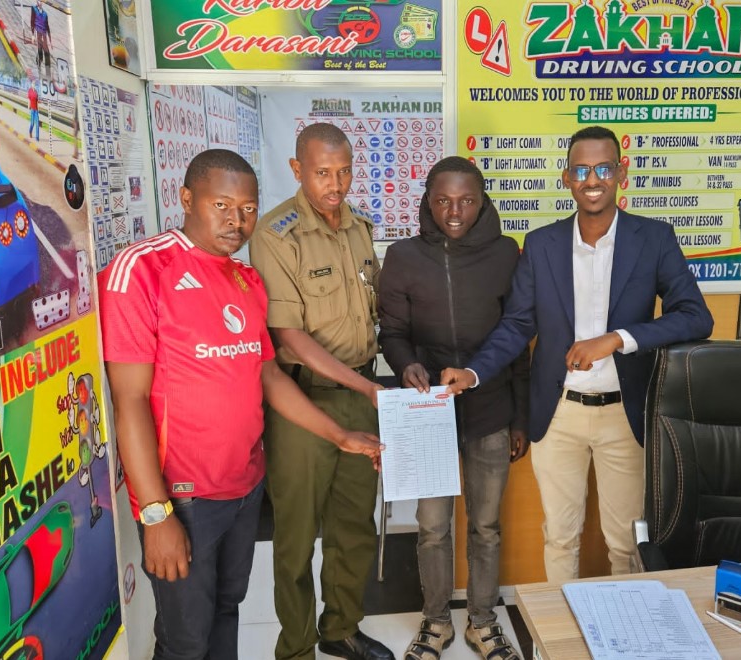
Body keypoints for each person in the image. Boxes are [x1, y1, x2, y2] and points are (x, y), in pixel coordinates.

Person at [99, 149, 381, 660]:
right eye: (222, 205)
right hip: (184, 497)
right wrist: (157, 513)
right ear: (186, 199)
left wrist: (340, 435)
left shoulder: (245, 280)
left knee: (226, 608)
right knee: (184, 639)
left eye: (248, 208)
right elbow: (130, 400)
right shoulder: (141, 270)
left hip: (244, 487)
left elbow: (268, 375)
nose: (237, 221)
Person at [442, 126, 713, 580]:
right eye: (582, 170)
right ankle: (560, 643)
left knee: (626, 543)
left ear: (621, 174)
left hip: (624, 414)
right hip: (560, 413)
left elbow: (695, 316)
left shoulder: (654, 239)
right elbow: (517, 324)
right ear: (567, 177)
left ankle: (621, 643)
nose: (593, 179)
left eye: (604, 168)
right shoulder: (542, 244)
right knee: (560, 537)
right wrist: (472, 373)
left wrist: (617, 338)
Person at [249, 123, 392, 660]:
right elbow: (289, 338)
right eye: (322, 172)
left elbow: (373, 315)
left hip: (361, 389)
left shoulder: (359, 229)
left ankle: (341, 630)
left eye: (344, 171)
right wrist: (369, 389)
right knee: (295, 536)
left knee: (353, 525)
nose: (336, 184)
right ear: (297, 170)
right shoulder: (274, 234)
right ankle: (297, 647)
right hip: (302, 401)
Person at [378, 157, 528, 660]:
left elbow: (520, 336)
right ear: (427, 200)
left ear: (482, 200)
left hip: (490, 410)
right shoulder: (402, 257)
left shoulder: (508, 254)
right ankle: (437, 622)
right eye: (443, 200)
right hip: (428, 414)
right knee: (432, 527)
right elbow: (393, 334)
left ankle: (483, 623)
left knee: (486, 526)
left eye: (466, 200)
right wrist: (406, 368)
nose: (454, 211)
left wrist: (520, 418)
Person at [30, 0, 53, 79]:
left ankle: (48, 75)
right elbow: (32, 22)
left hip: (44, 34)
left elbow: (47, 27)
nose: (40, 3)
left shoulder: (45, 14)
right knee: (41, 53)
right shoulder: (34, 9)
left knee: (47, 53)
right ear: (37, 2)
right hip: (38, 33)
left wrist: (50, 40)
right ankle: (39, 70)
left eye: (41, 1)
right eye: (39, 1)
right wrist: (32, 35)